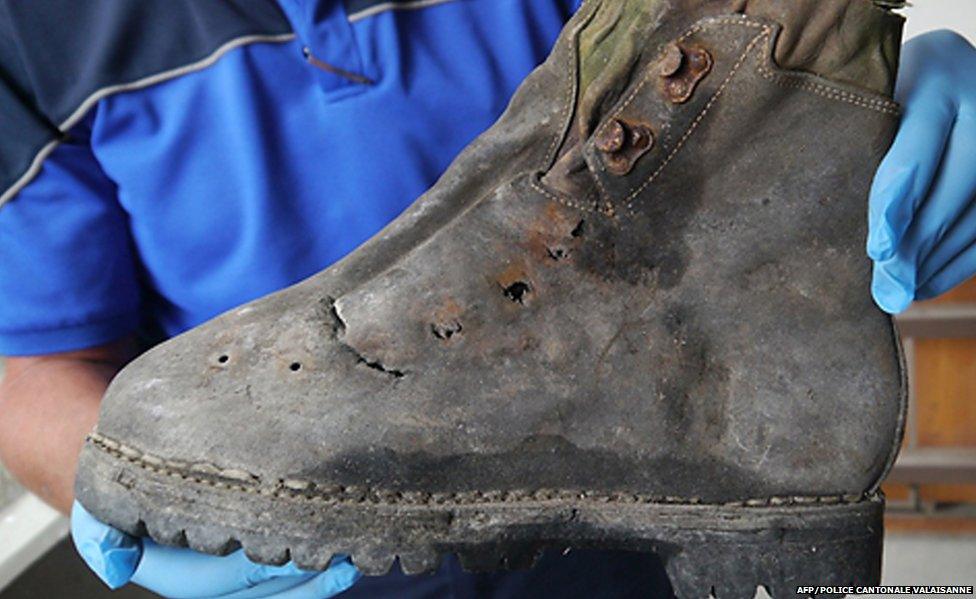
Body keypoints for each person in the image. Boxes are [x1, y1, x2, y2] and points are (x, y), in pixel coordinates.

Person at [0, 0, 972, 596]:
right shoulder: (27, 25)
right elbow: (31, 361)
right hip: (304, 534)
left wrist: (859, 83)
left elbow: (733, 77)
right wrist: (118, 471)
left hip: (628, 493)